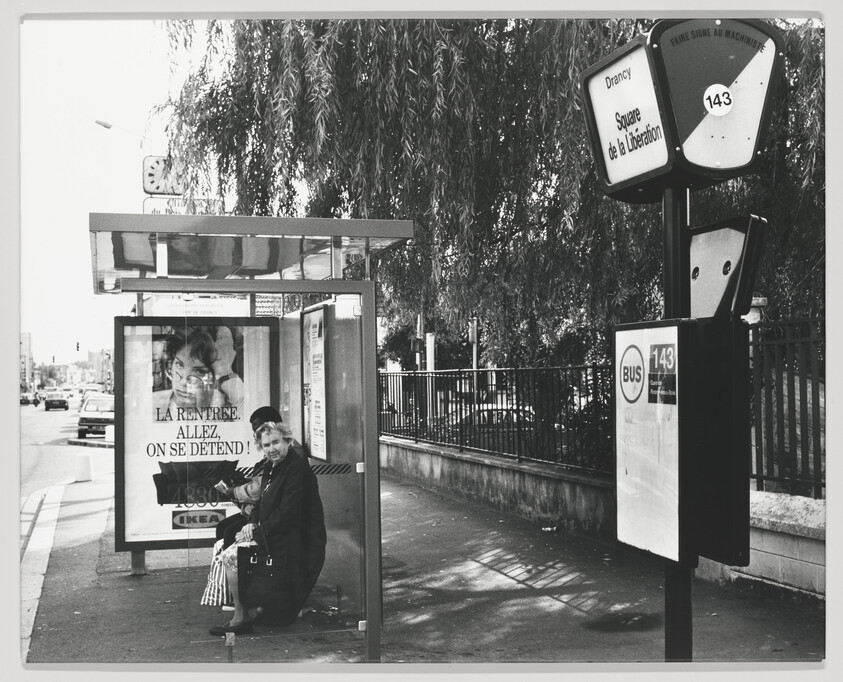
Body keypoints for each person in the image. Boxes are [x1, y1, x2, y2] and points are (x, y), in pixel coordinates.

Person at [207, 421, 326, 636]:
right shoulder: (273, 466)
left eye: (276, 442)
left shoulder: (296, 469)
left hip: (298, 538)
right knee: (229, 546)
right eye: (266, 445)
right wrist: (252, 522)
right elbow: (261, 501)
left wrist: (258, 531)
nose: (271, 449)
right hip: (281, 532)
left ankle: (241, 617)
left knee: (233, 555)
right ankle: (249, 608)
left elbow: (289, 513)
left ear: (288, 441)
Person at [213, 406, 284, 549]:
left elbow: (262, 490)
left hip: (271, 518)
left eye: (257, 431)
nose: (255, 436)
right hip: (259, 513)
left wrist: (235, 492)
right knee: (223, 528)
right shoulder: (271, 456)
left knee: (229, 532)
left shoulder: (284, 457)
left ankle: (235, 569)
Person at [153, 325, 244, 419]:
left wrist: (225, 375)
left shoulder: (229, 407)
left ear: (215, 373)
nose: (183, 382)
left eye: (199, 371)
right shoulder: (153, 403)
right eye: (179, 365)